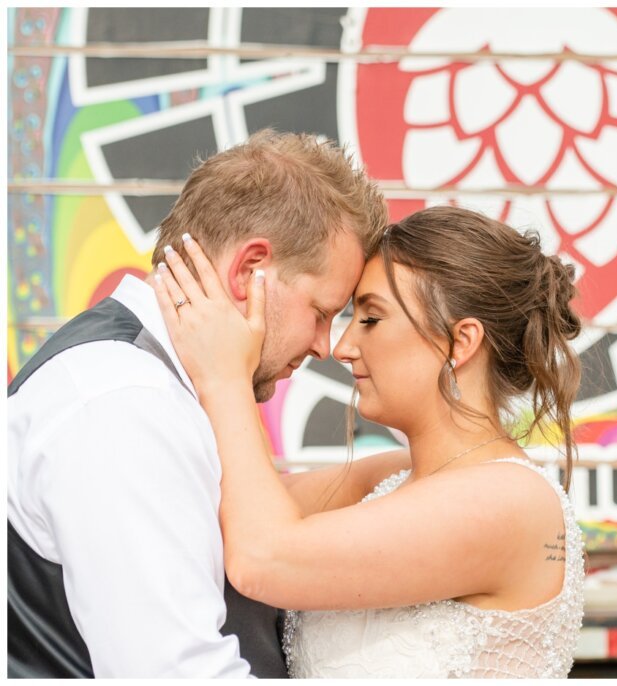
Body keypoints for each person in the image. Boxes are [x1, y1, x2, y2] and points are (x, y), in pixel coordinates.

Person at [7, 129, 388, 677]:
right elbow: (178, 673)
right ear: (248, 272)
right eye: (322, 311)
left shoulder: (162, 386)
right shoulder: (125, 406)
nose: (325, 346)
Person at [153, 205, 587, 678]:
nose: (342, 348)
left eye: (371, 318)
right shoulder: (392, 475)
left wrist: (226, 376)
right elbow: (221, 502)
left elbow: (263, 557)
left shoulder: (511, 500)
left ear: (460, 343)